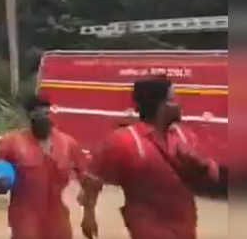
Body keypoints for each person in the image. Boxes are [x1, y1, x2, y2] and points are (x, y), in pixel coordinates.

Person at [80, 76, 223, 239]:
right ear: (161, 106)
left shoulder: (184, 136)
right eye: (173, 99)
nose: (179, 104)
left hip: (185, 230)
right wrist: (88, 216)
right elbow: (92, 180)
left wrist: (199, 164)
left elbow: (213, 175)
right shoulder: (124, 141)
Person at [0, 94, 87, 239]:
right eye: (39, 114)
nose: (44, 118)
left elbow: (87, 175)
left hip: (57, 217)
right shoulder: (12, 143)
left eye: (47, 113)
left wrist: (86, 195)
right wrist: (0, 182)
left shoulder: (67, 143)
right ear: (30, 116)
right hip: (25, 216)